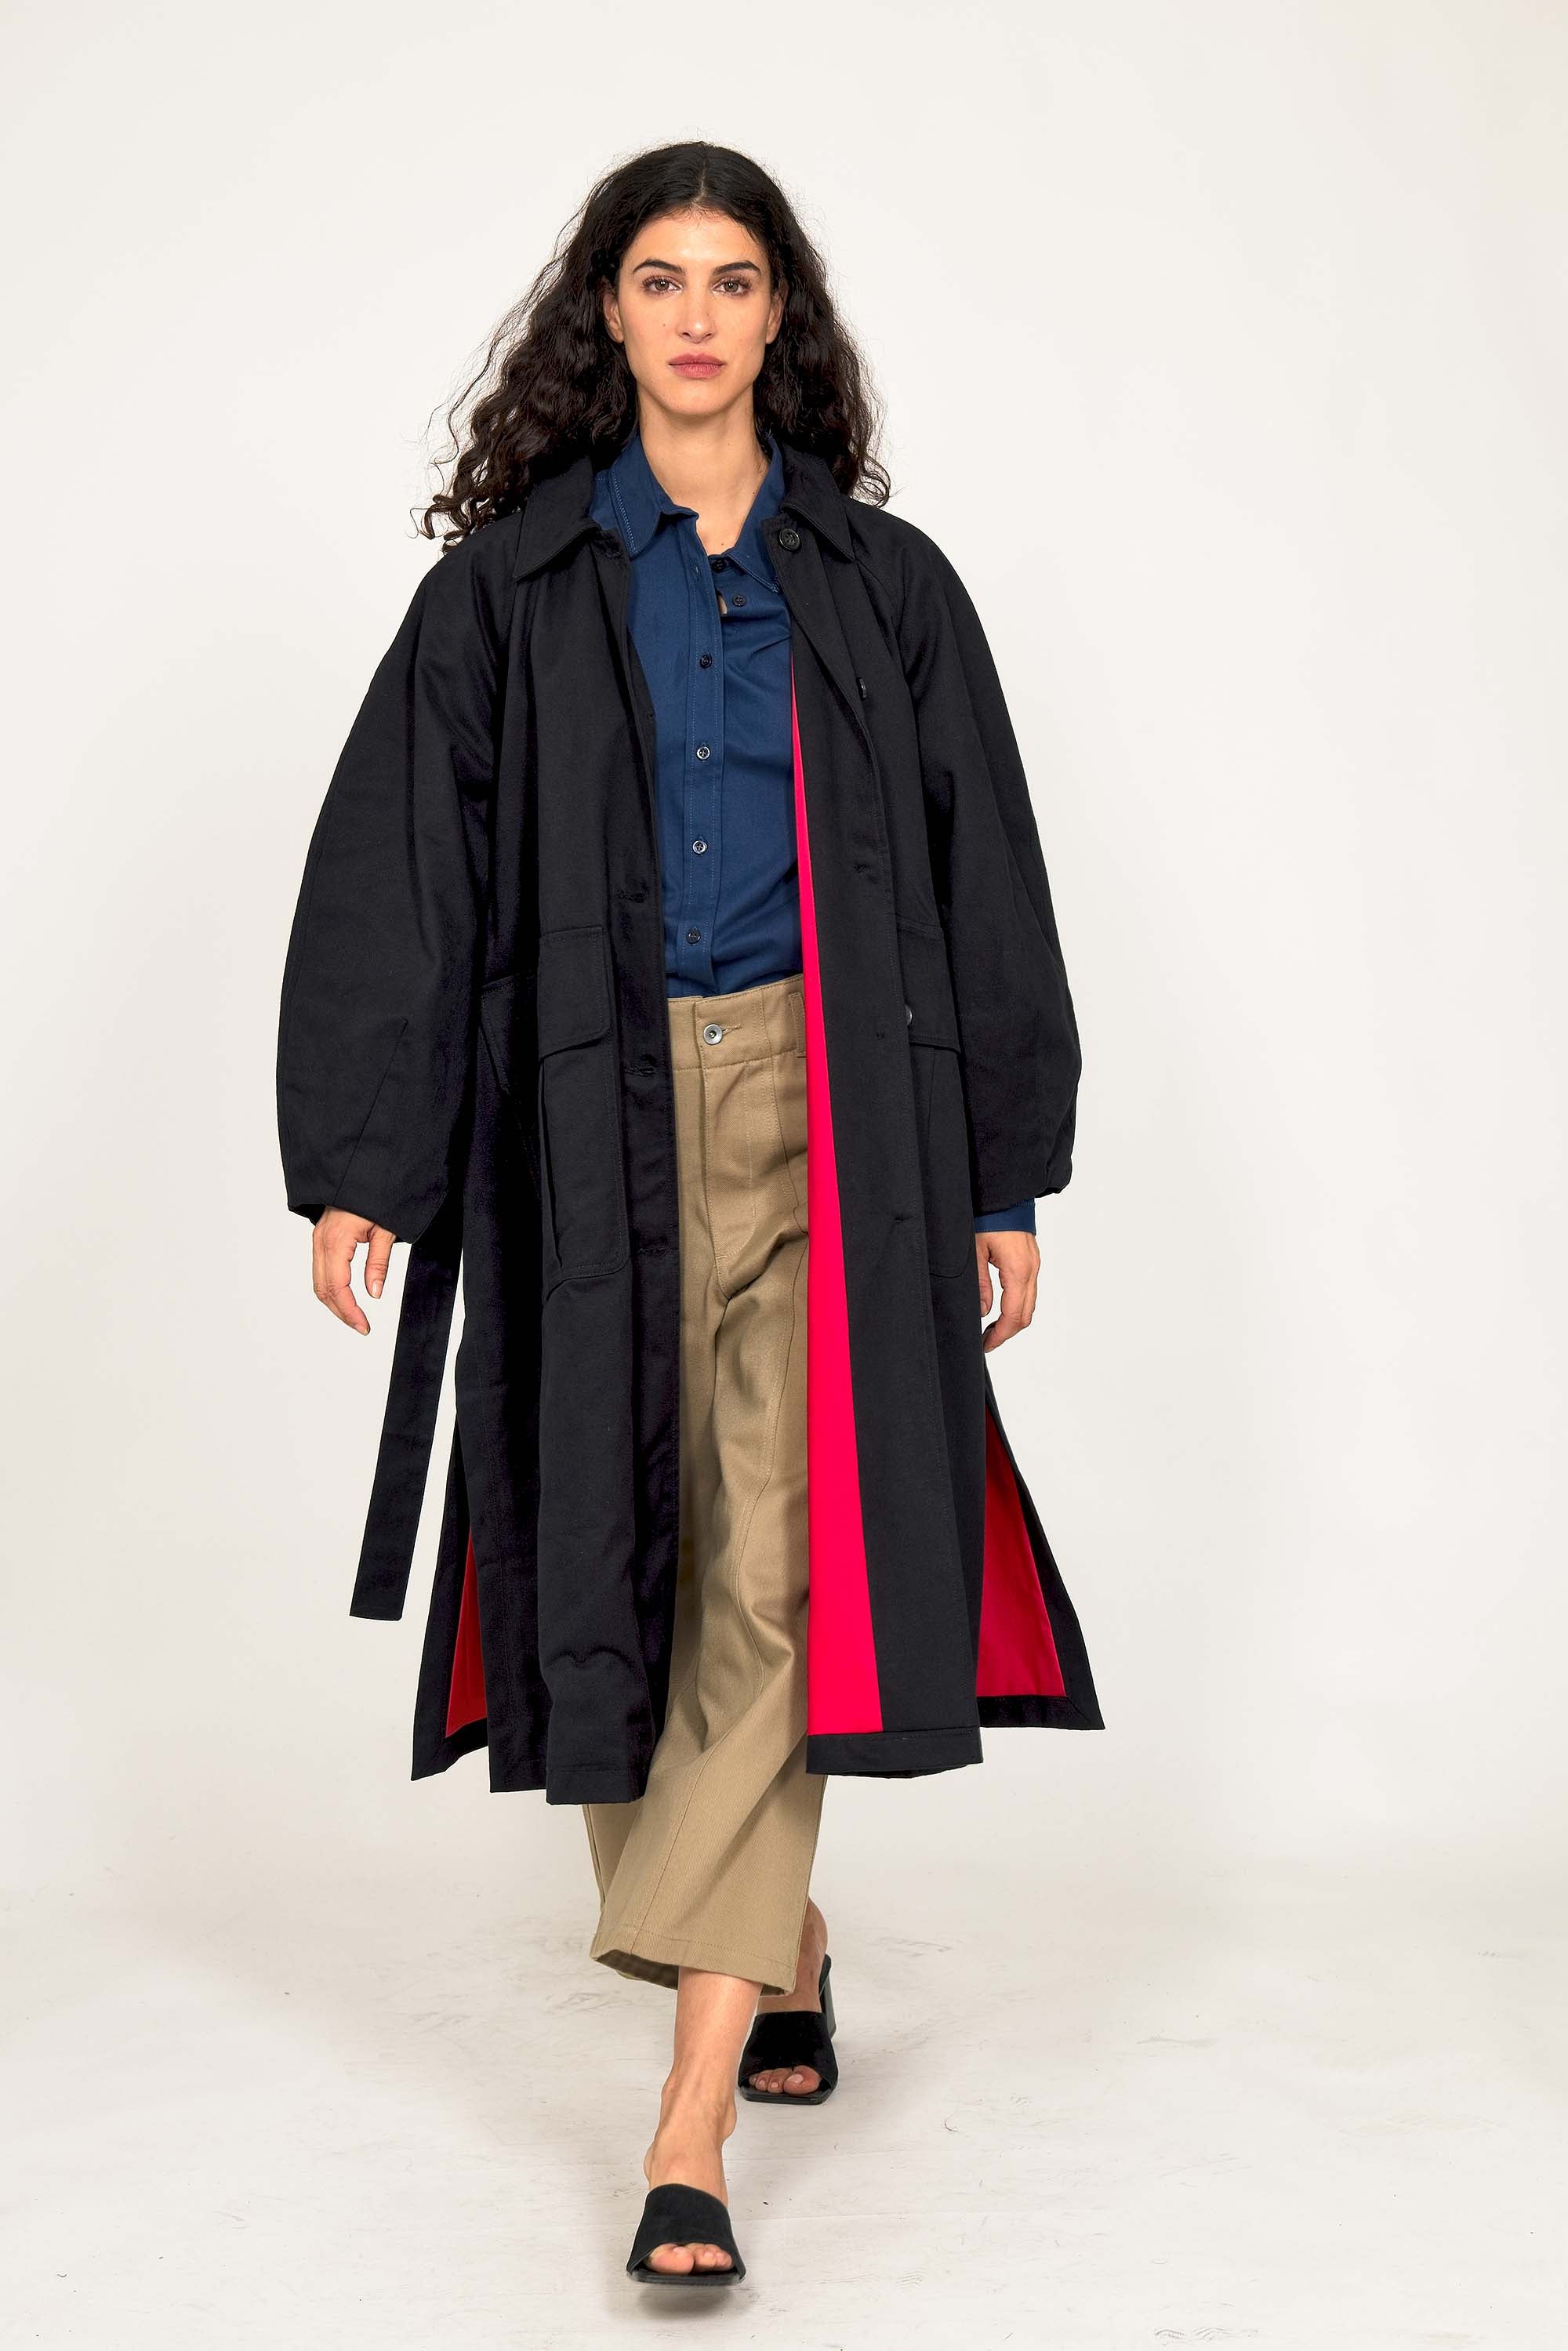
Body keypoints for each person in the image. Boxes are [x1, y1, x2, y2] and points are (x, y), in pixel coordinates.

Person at [276, 139, 1102, 2289]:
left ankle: (687, 2125)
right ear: (609, 315)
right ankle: (782, 1943)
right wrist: (366, 1159)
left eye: (737, 278)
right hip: (590, 1119)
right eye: (662, 277)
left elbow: (985, 871)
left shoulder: (883, 587)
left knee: (781, 1569)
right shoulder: (513, 591)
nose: (701, 315)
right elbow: (403, 868)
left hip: (840, 1121)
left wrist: (1002, 1169)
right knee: (612, 1570)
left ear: (780, 315)